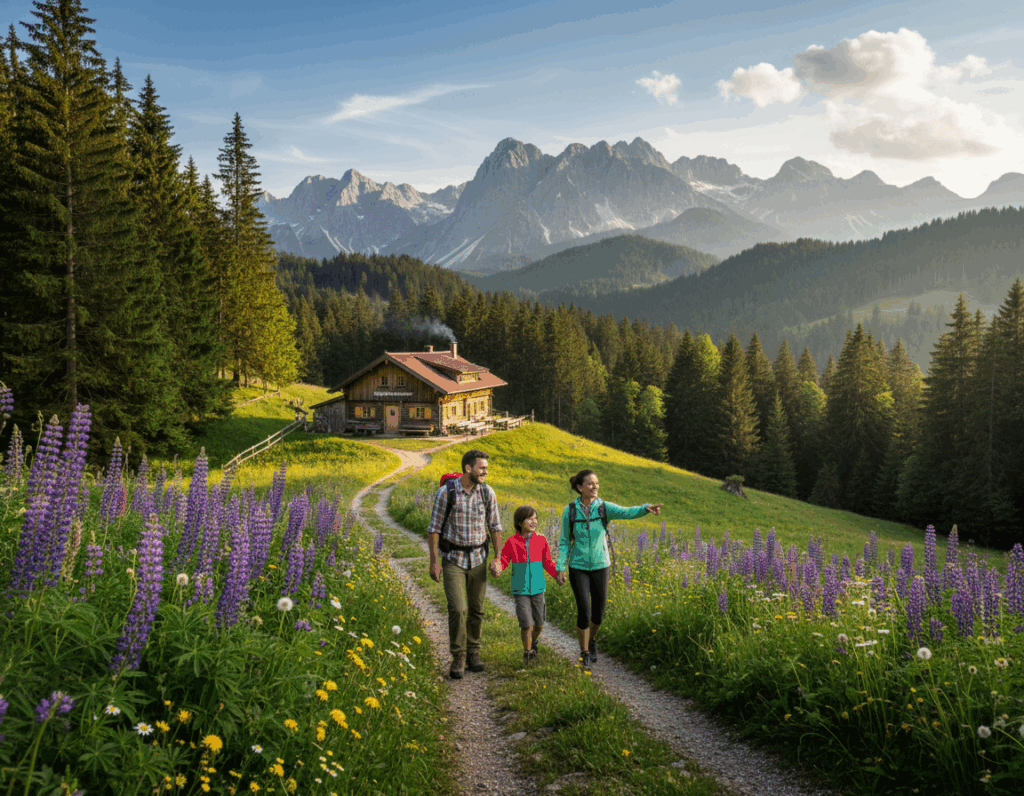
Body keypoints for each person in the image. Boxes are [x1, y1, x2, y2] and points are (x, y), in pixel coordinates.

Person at [556, 469, 662, 670]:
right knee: (584, 611)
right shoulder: (569, 511)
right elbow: (563, 542)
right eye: (590, 484)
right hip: (577, 566)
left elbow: (627, 511)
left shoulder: (604, 507)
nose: (595, 486)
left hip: (601, 565)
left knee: (598, 614)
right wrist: (560, 567)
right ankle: (584, 651)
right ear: (580, 488)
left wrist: (645, 508)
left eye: (596, 483)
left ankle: (592, 639)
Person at [428, 449, 503, 680]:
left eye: (486, 468)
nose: (485, 472)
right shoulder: (446, 493)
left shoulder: (487, 492)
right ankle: (458, 655)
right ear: (468, 468)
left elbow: (495, 526)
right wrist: (434, 562)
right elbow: (434, 529)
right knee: (458, 609)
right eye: (482, 468)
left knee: (477, 610)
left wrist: (498, 558)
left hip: (479, 559)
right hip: (454, 560)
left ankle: (473, 653)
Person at [490, 505, 559, 664]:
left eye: (535, 518)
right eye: (530, 518)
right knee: (527, 624)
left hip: (538, 588)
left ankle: (533, 642)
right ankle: (528, 653)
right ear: (520, 522)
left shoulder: (541, 539)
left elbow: (547, 562)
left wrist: (557, 574)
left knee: (539, 623)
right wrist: (497, 568)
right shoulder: (512, 542)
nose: (534, 521)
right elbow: (504, 560)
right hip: (520, 589)